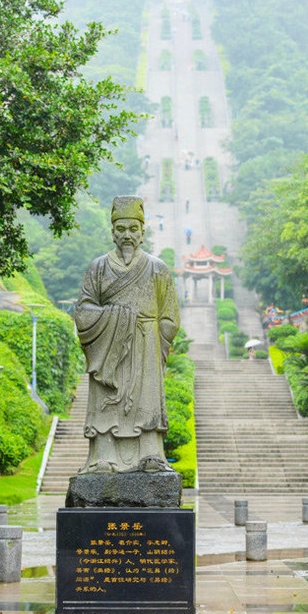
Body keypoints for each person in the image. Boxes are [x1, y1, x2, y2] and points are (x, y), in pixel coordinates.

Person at [74, 196, 180, 474]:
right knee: (108, 403)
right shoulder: (98, 268)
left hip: (146, 346)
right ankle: (102, 457)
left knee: (146, 402)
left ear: (143, 233)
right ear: (112, 232)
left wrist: (155, 342)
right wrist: (115, 322)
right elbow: (84, 309)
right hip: (108, 348)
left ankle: (151, 455)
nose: (127, 236)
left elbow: (169, 316)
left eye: (133, 229)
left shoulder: (158, 269)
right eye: (121, 229)